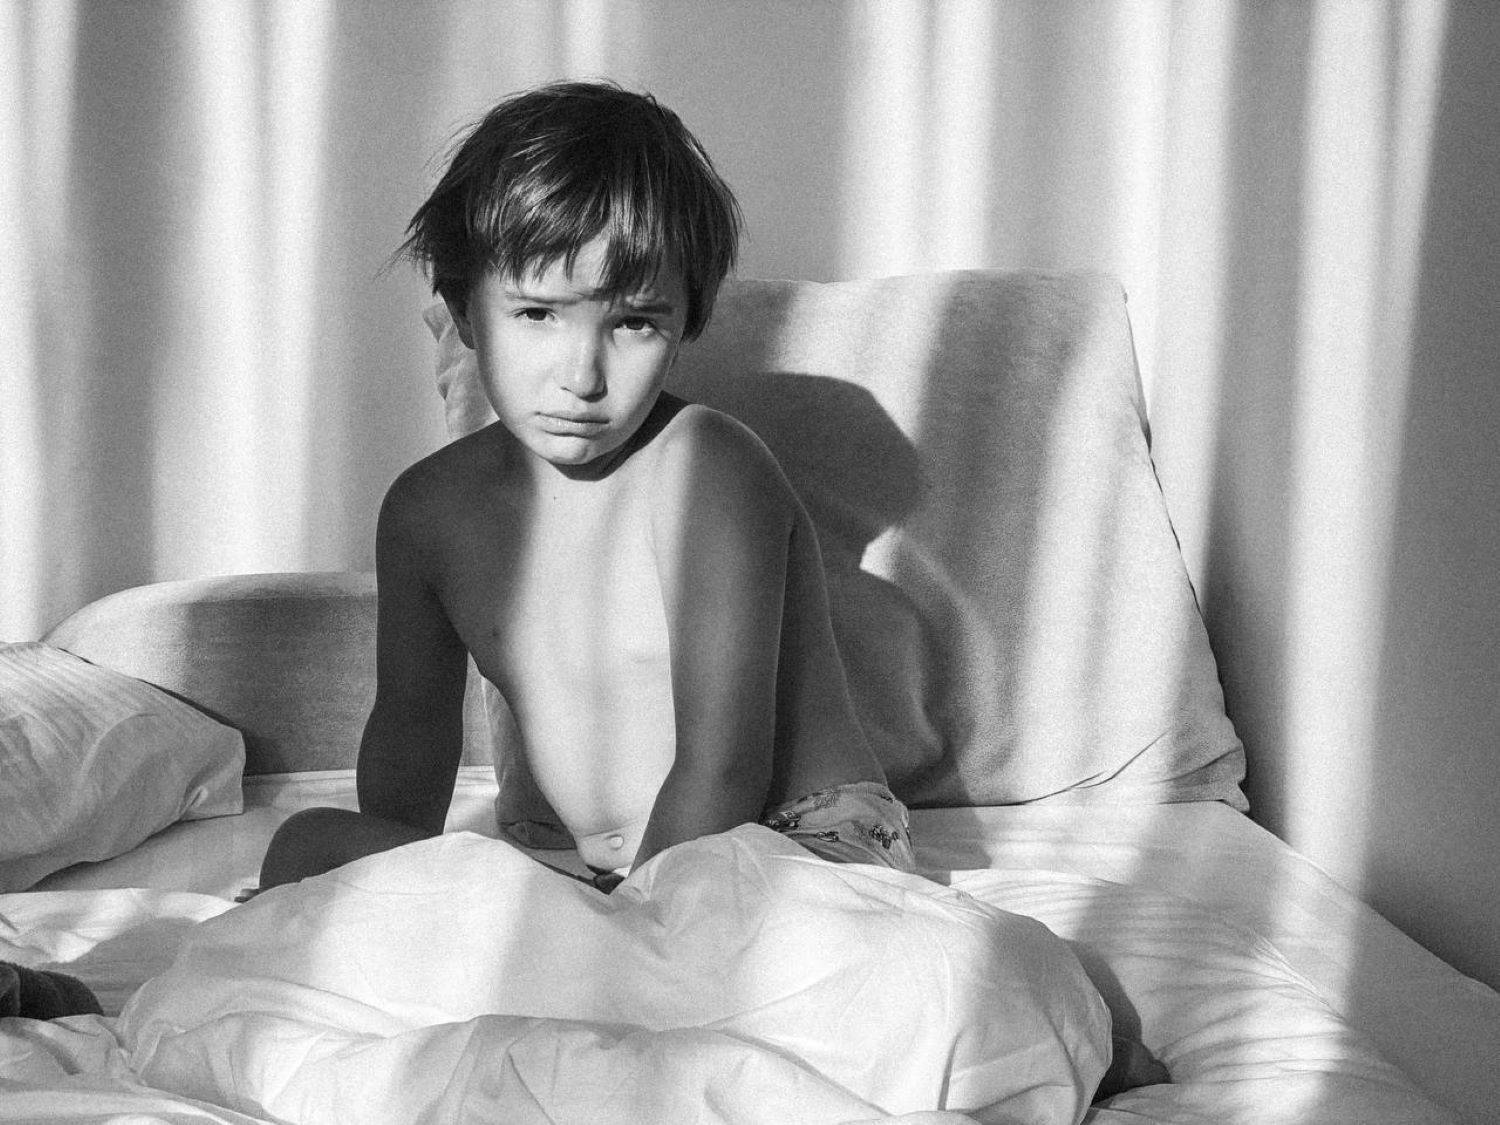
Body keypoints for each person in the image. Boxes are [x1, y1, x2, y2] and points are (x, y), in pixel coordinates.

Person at [257, 79, 914, 896]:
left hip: (794, 844)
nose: (582, 376)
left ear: (686, 319)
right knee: (308, 850)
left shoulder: (708, 469)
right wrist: (384, 893)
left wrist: (635, 923)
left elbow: (724, 766)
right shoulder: (428, 514)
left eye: (633, 321)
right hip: (610, 884)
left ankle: (619, 946)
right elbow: (409, 740)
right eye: (538, 314)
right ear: (463, 310)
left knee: (703, 915)